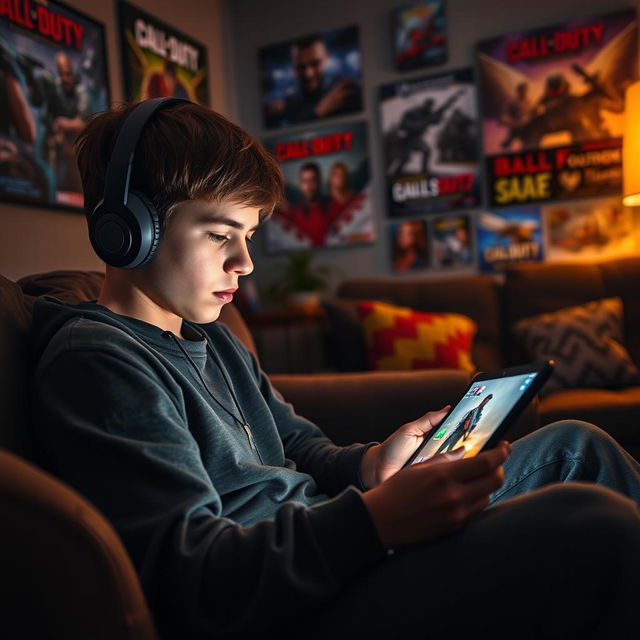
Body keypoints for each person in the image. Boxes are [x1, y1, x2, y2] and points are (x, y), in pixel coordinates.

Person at [31, 99, 640, 639]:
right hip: (300, 597)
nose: (245, 263)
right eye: (221, 235)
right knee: (591, 524)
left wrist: (372, 463)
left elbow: (299, 446)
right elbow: (196, 576)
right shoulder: (100, 362)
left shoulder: (213, 341)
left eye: (248, 236)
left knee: (576, 446)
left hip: (334, 539)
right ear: (128, 232)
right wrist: (375, 522)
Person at [264, 33, 362, 127]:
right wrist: (319, 112)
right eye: (301, 67)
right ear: (293, 67)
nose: (308, 74)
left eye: (315, 63)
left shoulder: (346, 90)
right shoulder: (288, 102)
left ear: (326, 58)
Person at [25, 51, 90, 192]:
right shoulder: (54, 87)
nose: (65, 79)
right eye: (61, 74)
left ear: (73, 73)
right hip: (57, 143)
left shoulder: (81, 92)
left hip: (76, 148)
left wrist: (63, 124)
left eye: (68, 74)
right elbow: (44, 113)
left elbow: (84, 123)